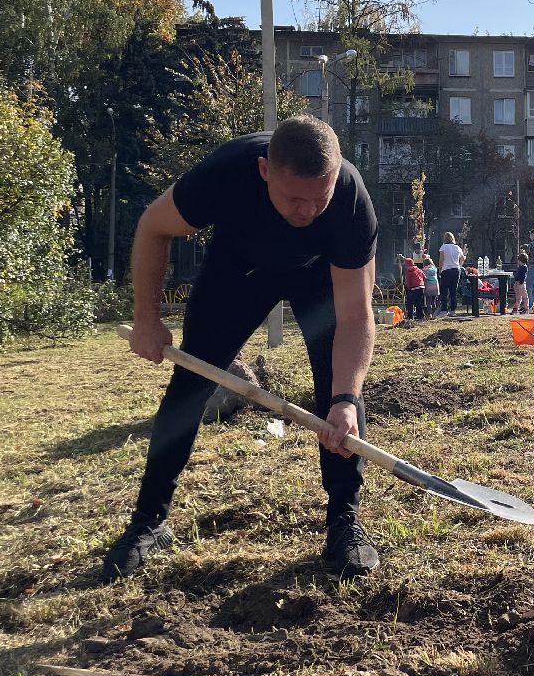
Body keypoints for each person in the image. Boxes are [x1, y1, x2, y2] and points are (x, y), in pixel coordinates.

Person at [105, 115, 380, 582]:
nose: (308, 211)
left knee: (339, 396)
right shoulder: (226, 172)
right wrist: (148, 321)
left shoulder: (351, 202)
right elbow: (153, 226)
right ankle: (149, 521)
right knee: (191, 385)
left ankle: (344, 524)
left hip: (318, 277)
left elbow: (357, 316)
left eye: (320, 198)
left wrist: (346, 399)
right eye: (295, 198)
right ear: (265, 171)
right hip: (238, 270)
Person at [438, 231, 464, 314]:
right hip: (456, 270)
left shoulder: (443, 247)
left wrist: (440, 269)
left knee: (444, 291)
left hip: (446, 270)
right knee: (453, 291)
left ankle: (444, 309)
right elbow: (462, 258)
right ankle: (453, 310)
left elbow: (441, 259)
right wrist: (459, 266)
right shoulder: (457, 248)